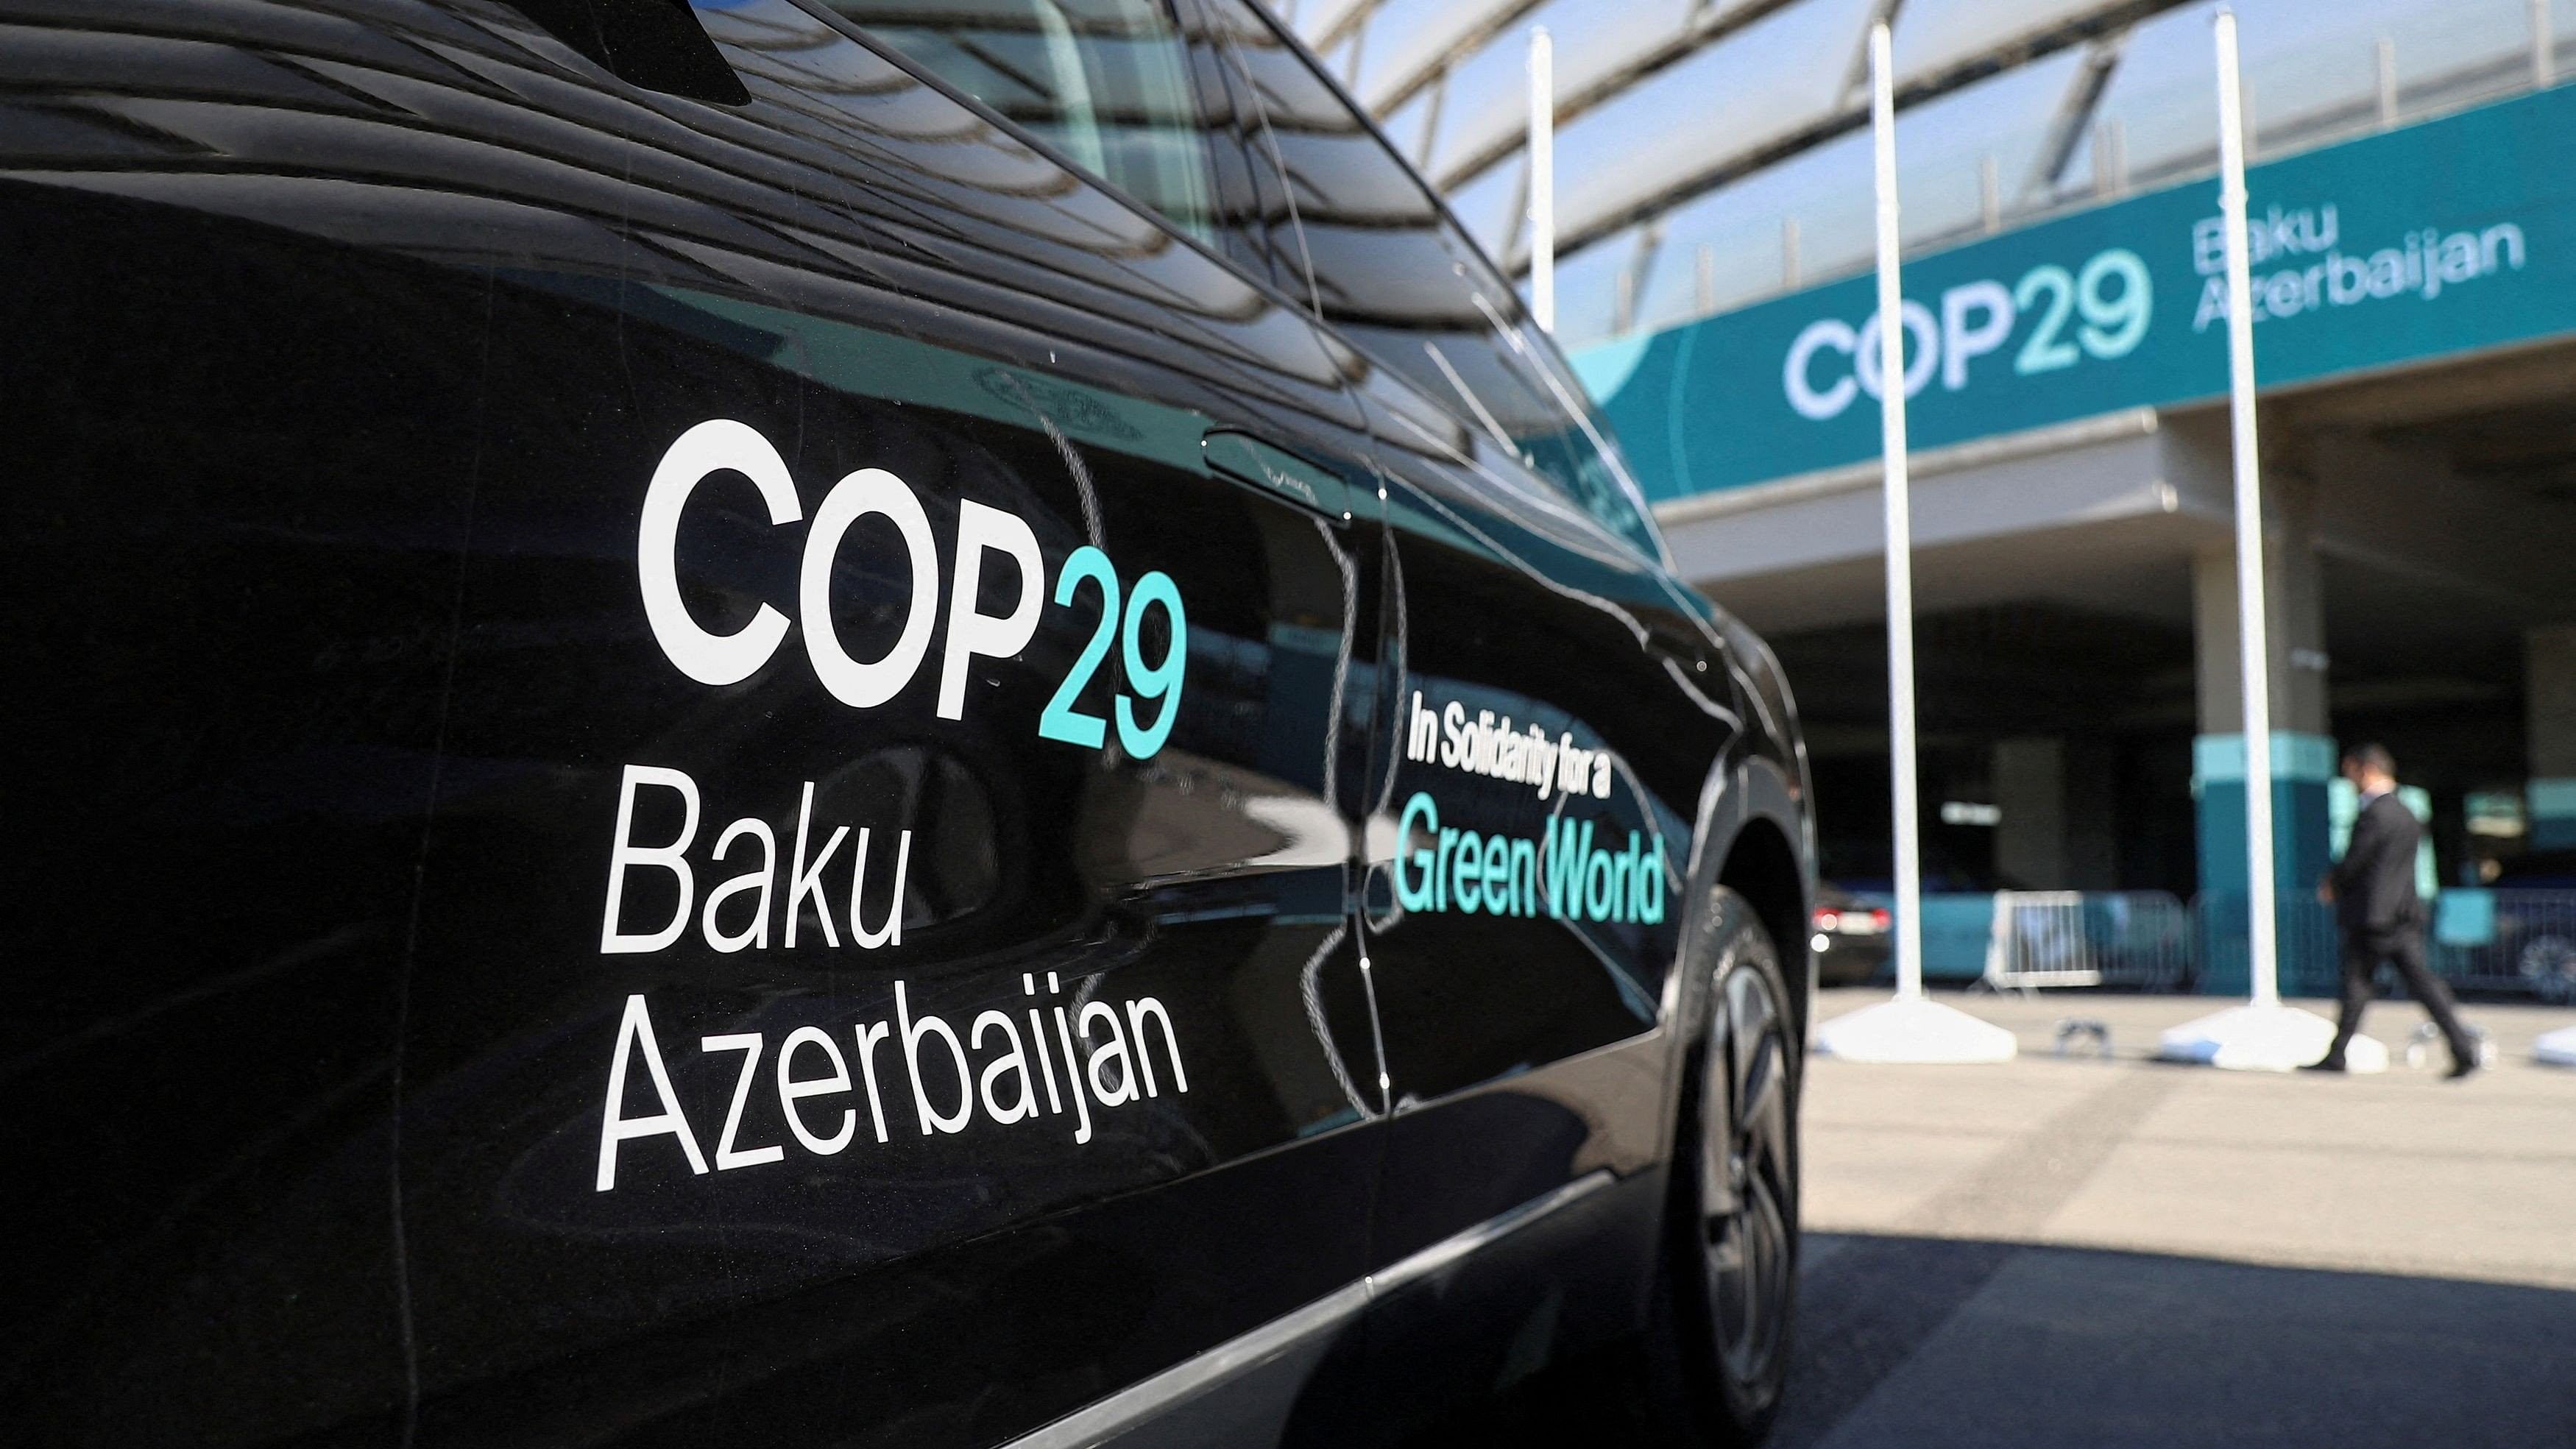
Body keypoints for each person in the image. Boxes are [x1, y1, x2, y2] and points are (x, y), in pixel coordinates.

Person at [2310, 744, 2480, 1078]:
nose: (2349, 780)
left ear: (2366, 769)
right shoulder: (2406, 813)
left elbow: (2357, 860)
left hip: (2373, 916)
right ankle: (2462, 1050)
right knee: (2419, 985)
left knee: (2358, 985)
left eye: (2350, 771)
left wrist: (2334, 883)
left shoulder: (2375, 814)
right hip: (2402, 915)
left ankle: (2337, 1055)